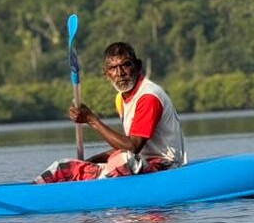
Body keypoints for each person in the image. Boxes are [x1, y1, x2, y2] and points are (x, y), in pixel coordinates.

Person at [36, 42, 186, 184]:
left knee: (123, 159)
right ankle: (30, 191)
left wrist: (91, 119)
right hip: (139, 164)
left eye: (125, 65)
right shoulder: (121, 98)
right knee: (63, 166)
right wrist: (92, 160)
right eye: (113, 68)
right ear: (106, 73)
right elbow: (127, 145)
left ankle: (93, 184)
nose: (120, 73)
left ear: (138, 66)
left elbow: (132, 147)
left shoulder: (148, 97)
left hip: (165, 167)